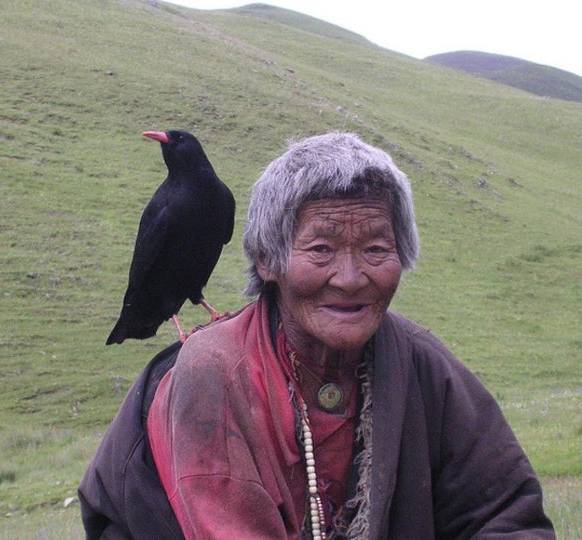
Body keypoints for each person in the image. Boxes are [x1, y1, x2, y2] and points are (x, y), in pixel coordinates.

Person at [79, 132, 554, 539]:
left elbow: (506, 515)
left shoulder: (424, 366)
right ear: (268, 260)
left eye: (375, 248)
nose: (350, 277)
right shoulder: (212, 374)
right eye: (322, 248)